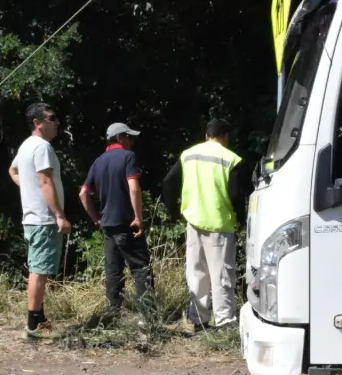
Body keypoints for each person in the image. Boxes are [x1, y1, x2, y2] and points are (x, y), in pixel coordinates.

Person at [161, 119, 250, 333]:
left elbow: (167, 182)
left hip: (193, 222)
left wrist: (172, 212)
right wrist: (242, 217)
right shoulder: (231, 159)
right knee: (221, 275)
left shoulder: (188, 154)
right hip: (219, 223)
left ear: (206, 135)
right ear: (225, 136)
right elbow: (237, 194)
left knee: (196, 272)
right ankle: (225, 321)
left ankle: (198, 319)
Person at [78, 122, 155, 315]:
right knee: (140, 269)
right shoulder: (128, 157)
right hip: (127, 222)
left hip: (108, 225)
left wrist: (96, 218)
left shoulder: (98, 161)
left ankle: (113, 314)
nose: (132, 141)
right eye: (129, 137)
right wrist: (138, 217)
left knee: (113, 271)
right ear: (120, 138)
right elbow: (133, 187)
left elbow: (83, 193)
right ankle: (148, 317)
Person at [8, 102, 69, 340]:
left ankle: (39, 318)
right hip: (43, 219)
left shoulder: (25, 146)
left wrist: (27, 187)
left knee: (38, 268)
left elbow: (12, 171)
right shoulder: (41, 146)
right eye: (51, 118)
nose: (57, 123)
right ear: (38, 123)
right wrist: (59, 215)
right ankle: (33, 324)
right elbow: (45, 182)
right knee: (39, 271)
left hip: (33, 217)